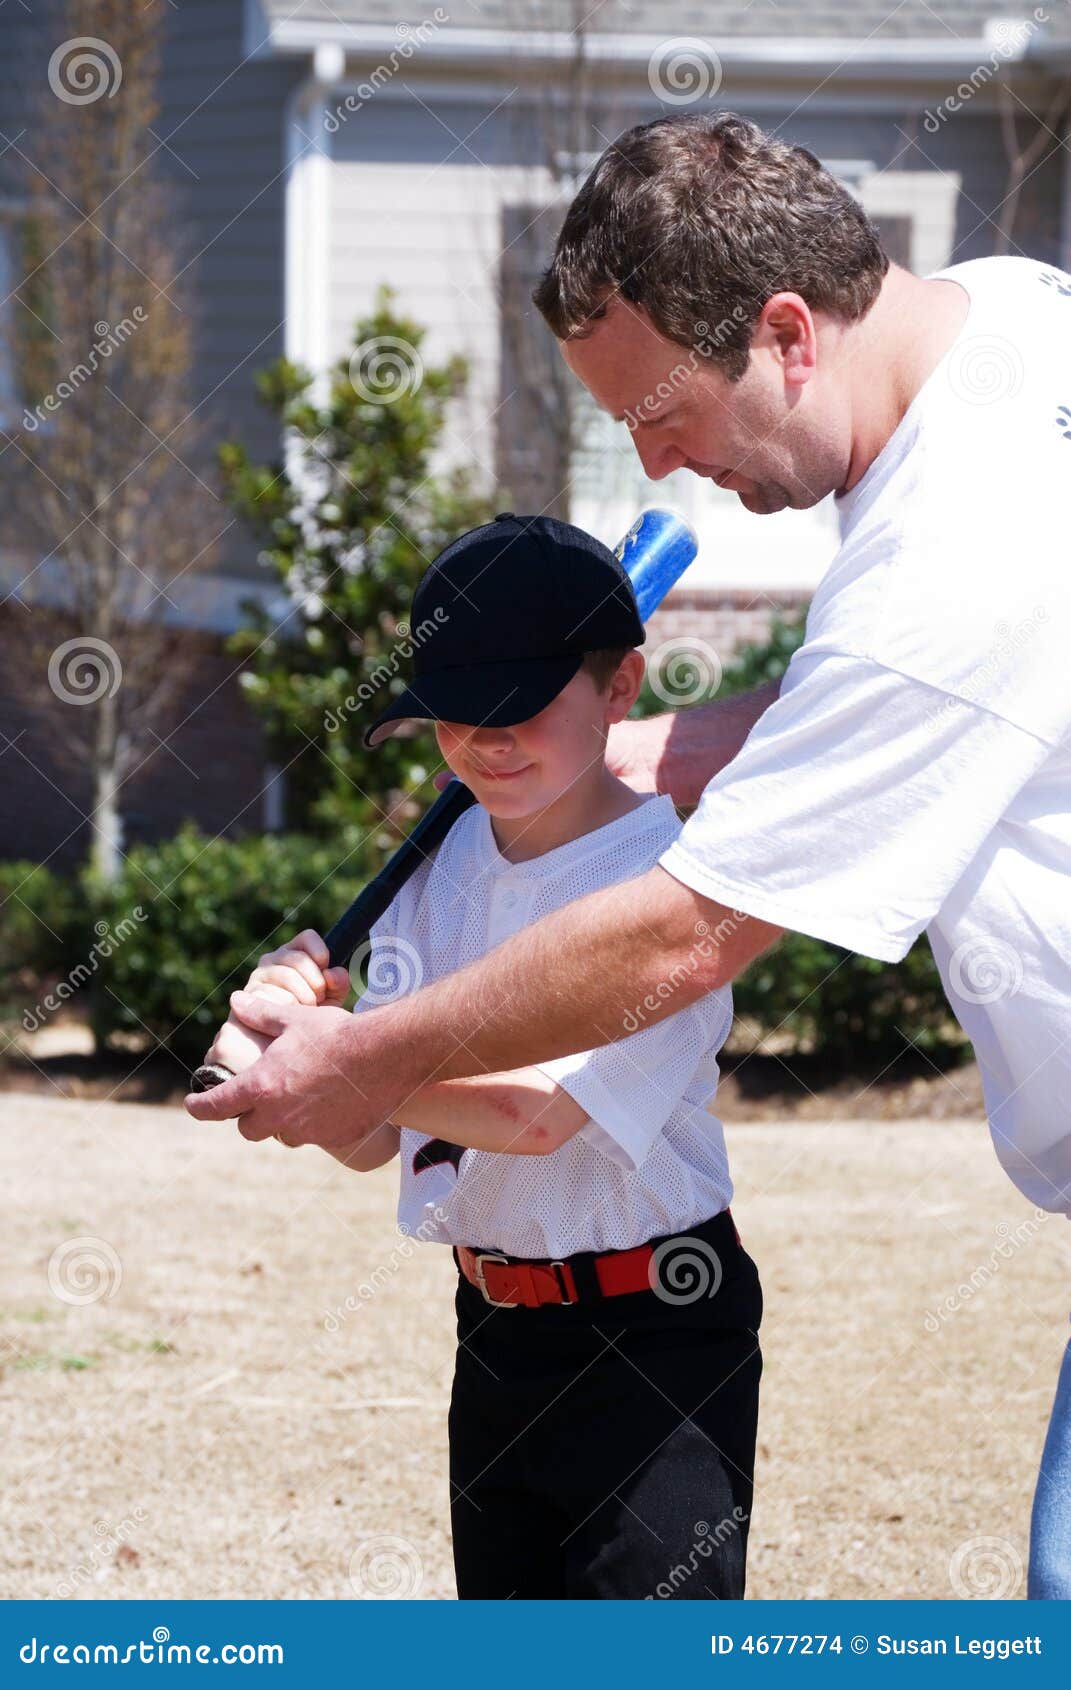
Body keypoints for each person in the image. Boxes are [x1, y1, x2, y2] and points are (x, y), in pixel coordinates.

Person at [186, 112, 1071, 1597]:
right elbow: (844, 714)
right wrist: (586, 761)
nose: (655, 462)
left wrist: (362, 1056)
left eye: (662, 411)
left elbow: (679, 936)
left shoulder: (947, 553)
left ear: (787, 333)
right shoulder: (1013, 316)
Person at [204, 513, 764, 1601]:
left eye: (521, 707)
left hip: (657, 1335)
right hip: (495, 1335)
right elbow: (380, 1141)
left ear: (620, 688)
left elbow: (540, 1113)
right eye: (456, 712)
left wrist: (348, 1055)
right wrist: (293, 1063)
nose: (485, 741)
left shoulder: (669, 888)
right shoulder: (434, 870)